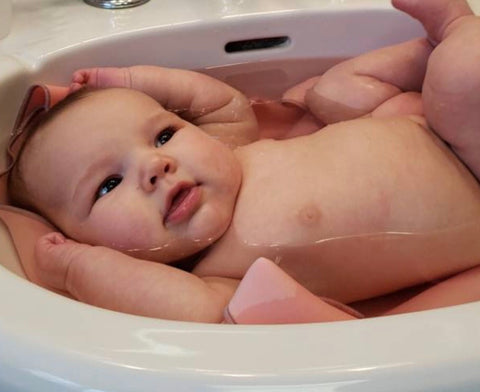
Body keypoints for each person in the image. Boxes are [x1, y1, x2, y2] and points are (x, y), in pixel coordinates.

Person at [5, 0, 480, 323]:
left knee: (337, 91)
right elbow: (194, 313)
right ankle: (456, 39)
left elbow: (217, 103)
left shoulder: (232, 149)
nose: (155, 166)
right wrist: (75, 268)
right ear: (91, 243)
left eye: (165, 134)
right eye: (108, 185)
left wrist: (125, 78)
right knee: (462, 77)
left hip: (432, 129)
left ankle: (446, 36)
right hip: (472, 178)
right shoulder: (217, 277)